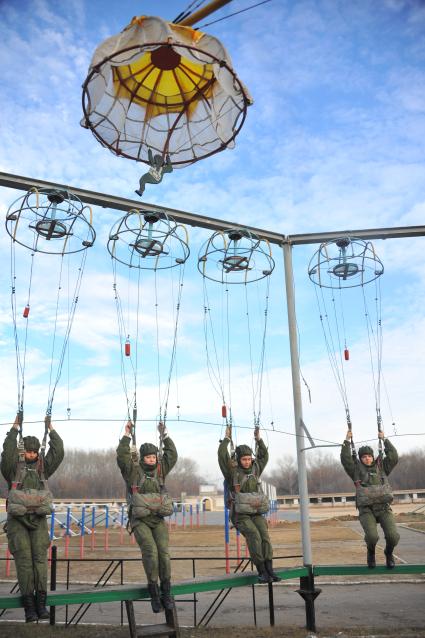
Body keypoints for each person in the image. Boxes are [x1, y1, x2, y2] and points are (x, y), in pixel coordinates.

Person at [1, 415, 64, 622]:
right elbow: (7, 451)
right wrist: (14, 428)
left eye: (35, 452)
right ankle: (29, 606)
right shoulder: (12, 469)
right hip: (17, 521)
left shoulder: (43, 468)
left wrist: (51, 429)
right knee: (24, 562)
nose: (32, 454)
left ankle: (41, 603)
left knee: (40, 560)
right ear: (23, 451)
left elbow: (59, 451)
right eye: (28, 451)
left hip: (38, 520)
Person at [117, 421, 177, 613]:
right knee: (150, 551)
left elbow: (172, 455)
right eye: (149, 457)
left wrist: (164, 435)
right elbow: (122, 456)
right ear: (143, 458)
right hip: (140, 520)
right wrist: (127, 435)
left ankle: (166, 591)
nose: (152, 460)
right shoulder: (133, 471)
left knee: (164, 554)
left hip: (157, 519)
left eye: (154, 457)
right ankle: (153, 592)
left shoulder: (161, 471)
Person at [218, 425, 280, 584]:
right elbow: (222, 456)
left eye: (248, 459)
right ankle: (261, 570)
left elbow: (264, 456)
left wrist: (258, 440)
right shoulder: (232, 472)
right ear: (238, 460)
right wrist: (226, 439)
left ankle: (269, 569)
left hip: (256, 512)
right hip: (240, 515)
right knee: (254, 535)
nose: (247, 462)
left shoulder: (256, 468)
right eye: (243, 459)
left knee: (264, 536)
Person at [341, 429, 400, 569]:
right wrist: (347, 441)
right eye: (364, 457)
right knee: (372, 537)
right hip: (366, 510)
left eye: (369, 456)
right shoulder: (355, 470)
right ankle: (371, 552)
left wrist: (384, 439)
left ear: (373, 457)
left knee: (393, 537)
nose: (367, 458)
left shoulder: (382, 467)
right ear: (360, 459)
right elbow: (345, 459)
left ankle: (388, 553)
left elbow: (393, 457)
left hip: (384, 508)